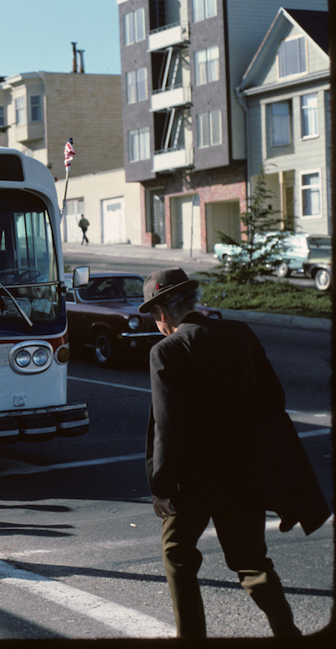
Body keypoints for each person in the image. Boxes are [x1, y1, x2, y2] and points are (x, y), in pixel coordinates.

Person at [140, 268, 330, 639]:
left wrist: (161, 486)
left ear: (163, 312)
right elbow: (274, 397)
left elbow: (168, 426)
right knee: (250, 562)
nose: (155, 321)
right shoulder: (240, 334)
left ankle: (191, 637)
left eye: (154, 314)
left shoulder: (167, 351)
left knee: (178, 555)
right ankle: (287, 634)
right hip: (245, 472)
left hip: (190, 482)